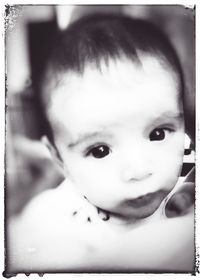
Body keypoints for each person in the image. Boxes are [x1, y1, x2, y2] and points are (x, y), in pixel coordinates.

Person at [7, 14, 195, 273]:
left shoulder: (190, 182)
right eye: (99, 150)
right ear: (60, 158)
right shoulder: (54, 221)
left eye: (158, 134)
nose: (139, 171)